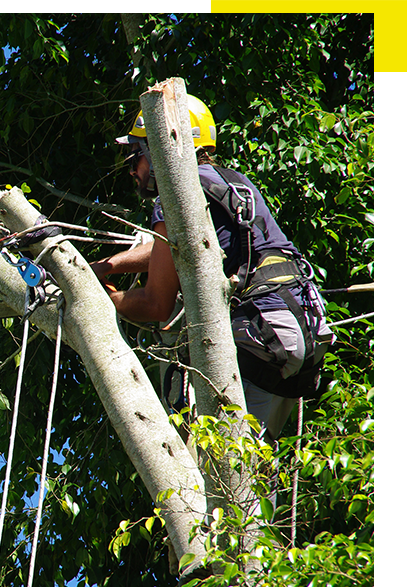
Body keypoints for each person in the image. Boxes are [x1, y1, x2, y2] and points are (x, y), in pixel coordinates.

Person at [91, 97, 335, 444]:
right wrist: (109, 265)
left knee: (221, 473)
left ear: (160, 147)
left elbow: (154, 304)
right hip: (302, 330)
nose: (132, 169)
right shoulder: (231, 182)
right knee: (253, 477)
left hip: (260, 337)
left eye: (136, 155)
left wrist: (98, 293)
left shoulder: (174, 198)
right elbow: (172, 249)